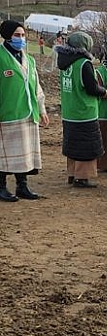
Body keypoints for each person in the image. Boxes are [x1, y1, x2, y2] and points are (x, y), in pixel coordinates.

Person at [0, 20, 50, 202]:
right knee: (4, 152)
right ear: (7, 36)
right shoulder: (0, 57)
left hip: (28, 112)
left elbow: (36, 86)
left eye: (23, 36)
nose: (21, 39)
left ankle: (22, 186)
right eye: (17, 35)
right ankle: (1, 186)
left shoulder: (28, 59)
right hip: (7, 113)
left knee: (25, 152)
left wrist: (42, 109)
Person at [57, 31, 107, 188]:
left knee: (72, 144)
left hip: (69, 111)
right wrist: (104, 92)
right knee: (86, 145)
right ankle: (82, 177)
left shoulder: (64, 62)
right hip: (84, 112)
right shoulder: (83, 63)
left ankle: (72, 173)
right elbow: (91, 88)